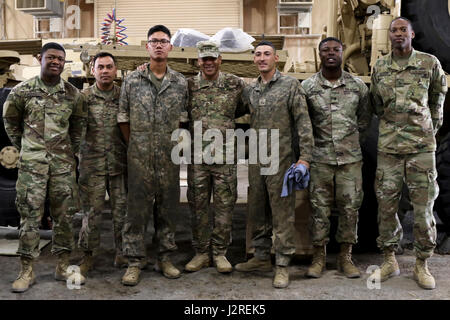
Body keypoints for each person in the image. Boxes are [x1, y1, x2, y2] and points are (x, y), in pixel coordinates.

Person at [370, 17, 447, 290]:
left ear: (412, 34)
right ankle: (390, 260)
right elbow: (378, 105)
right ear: (389, 36)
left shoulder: (429, 63)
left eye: (403, 29)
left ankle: (421, 263)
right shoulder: (380, 67)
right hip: (389, 148)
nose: (398, 33)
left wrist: (428, 130)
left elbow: (439, 98)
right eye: (394, 30)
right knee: (386, 207)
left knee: (423, 208)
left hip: (421, 148)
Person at [3, 42, 87, 292]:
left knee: (64, 217)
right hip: (32, 169)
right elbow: (10, 122)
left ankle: (62, 266)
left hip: (62, 167)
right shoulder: (21, 91)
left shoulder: (73, 94)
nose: (56, 62)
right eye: (51, 57)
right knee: (29, 218)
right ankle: (26, 271)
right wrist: (29, 148)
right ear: (40, 59)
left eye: (60, 59)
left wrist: (67, 152)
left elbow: (78, 127)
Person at [235, 41, 314, 288]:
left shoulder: (290, 86)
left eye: (266, 54)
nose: (262, 58)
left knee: (282, 212)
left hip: (281, 158)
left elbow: (303, 123)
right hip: (258, 159)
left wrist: (305, 158)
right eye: (257, 55)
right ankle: (260, 257)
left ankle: (282, 264)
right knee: (257, 208)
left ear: (276, 58)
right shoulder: (251, 90)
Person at [118, 25, 189, 286]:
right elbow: (123, 118)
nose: (158, 45)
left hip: (168, 158)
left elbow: (182, 120)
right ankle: (135, 261)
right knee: (136, 210)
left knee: (168, 209)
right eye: (153, 41)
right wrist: (137, 145)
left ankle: (165, 258)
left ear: (170, 47)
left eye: (163, 41)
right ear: (146, 46)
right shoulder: (132, 80)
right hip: (139, 157)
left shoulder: (180, 82)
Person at [301, 37, 371, 279]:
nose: (331, 53)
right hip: (320, 159)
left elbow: (364, 120)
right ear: (319, 54)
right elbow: (304, 124)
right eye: (325, 50)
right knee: (319, 210)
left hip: (350, 160)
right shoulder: (308, 87)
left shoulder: (357, 86)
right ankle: (319, 257)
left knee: (350, 209)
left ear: (343, 53)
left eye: (336, 49)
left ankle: (345, 257)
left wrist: (349, 143)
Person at [184, 41, 246, 274]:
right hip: (198, 157)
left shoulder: (234, 84)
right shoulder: (188, 86)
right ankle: (201, 252)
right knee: (197, 206)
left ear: (220, 60)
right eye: (204, 59)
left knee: (224, 206)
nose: (208, 63)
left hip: (225, 157)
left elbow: (243, 108)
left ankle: (219, 253)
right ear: (198, 61)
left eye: (213, 58)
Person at [77, 52, 128, 276]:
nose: (105, 71)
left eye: (109, 67)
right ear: (93, 70)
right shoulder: (84, 98)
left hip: (119, 165)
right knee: (92, 214)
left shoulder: (124, 97)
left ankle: (123, 252)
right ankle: (88, 256)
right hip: (93, 166)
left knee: (122, 213)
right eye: (101, 67)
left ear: (116, 70)